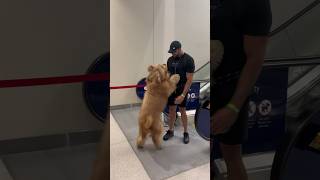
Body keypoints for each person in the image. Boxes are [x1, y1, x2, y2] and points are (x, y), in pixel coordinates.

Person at [211, 0, 272, 180]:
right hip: (208, 84)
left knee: (231, 155)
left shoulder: (255, 4)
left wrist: (233, 107)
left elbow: (255, 59)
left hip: (229, 90)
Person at [163, 40, 195, 144]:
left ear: (179, 49)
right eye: (171, 52)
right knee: (171, 110)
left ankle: (185, 132)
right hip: (172, 89)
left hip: (182, 88)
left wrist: (182, 95)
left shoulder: (189, 60)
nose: (172, 54)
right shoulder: (170, 60)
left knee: (182, 110)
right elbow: (168, 74)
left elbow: (189, 80)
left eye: (174, 52)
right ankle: (171, 130)